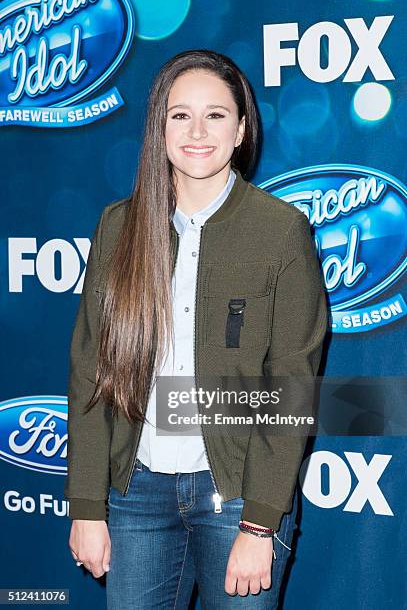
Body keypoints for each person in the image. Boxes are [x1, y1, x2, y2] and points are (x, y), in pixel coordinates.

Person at [65, 49, 328, 609]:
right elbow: (92, 373)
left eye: (216, 115)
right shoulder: (118, 227)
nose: (197, 131)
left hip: (235, 497)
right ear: (159, 128)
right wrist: (87, 505)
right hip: (135, 493)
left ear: (240, 130)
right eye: (180, 114)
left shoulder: (281, 232)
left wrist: (259, 527)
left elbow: (291, 385)